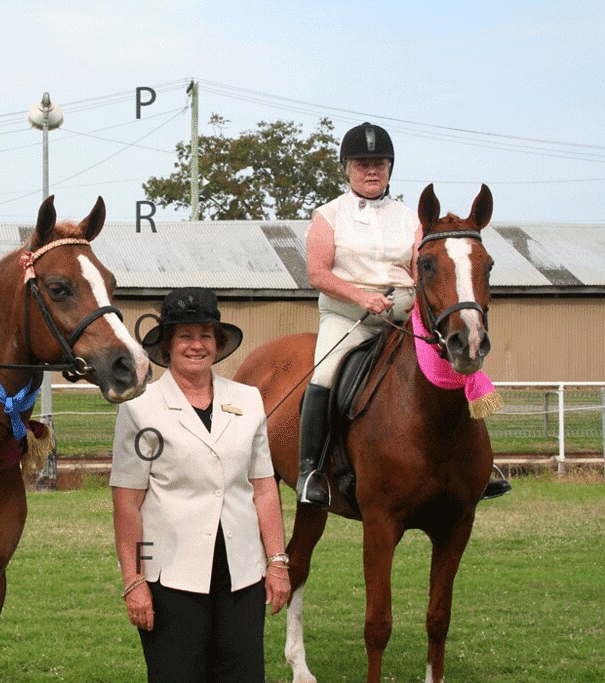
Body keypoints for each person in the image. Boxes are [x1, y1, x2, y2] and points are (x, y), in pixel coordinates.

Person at [297, 121, 511, 507]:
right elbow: (317, 273)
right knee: (325, 374)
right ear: (347, 169)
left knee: (454, 365)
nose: (371, 171)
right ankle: (311, 470)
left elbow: (421, 266)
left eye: (379, 164)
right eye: (362, 165)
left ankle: (478, 465)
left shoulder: (410, 217)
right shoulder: (328, 215)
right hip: (348, 317)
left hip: (403, 314)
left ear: (390, 168)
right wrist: (361, 297)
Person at [111, 287, 291, 683]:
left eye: (206, 335)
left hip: (242, 576)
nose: (197, 345)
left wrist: (277, 562)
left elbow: (264, 489)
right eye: (185, 336)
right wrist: (134, 579)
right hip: (170, 577)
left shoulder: (248, 400)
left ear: (217, 342)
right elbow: (127, 505)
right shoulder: (140, 409)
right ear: (167, 345)